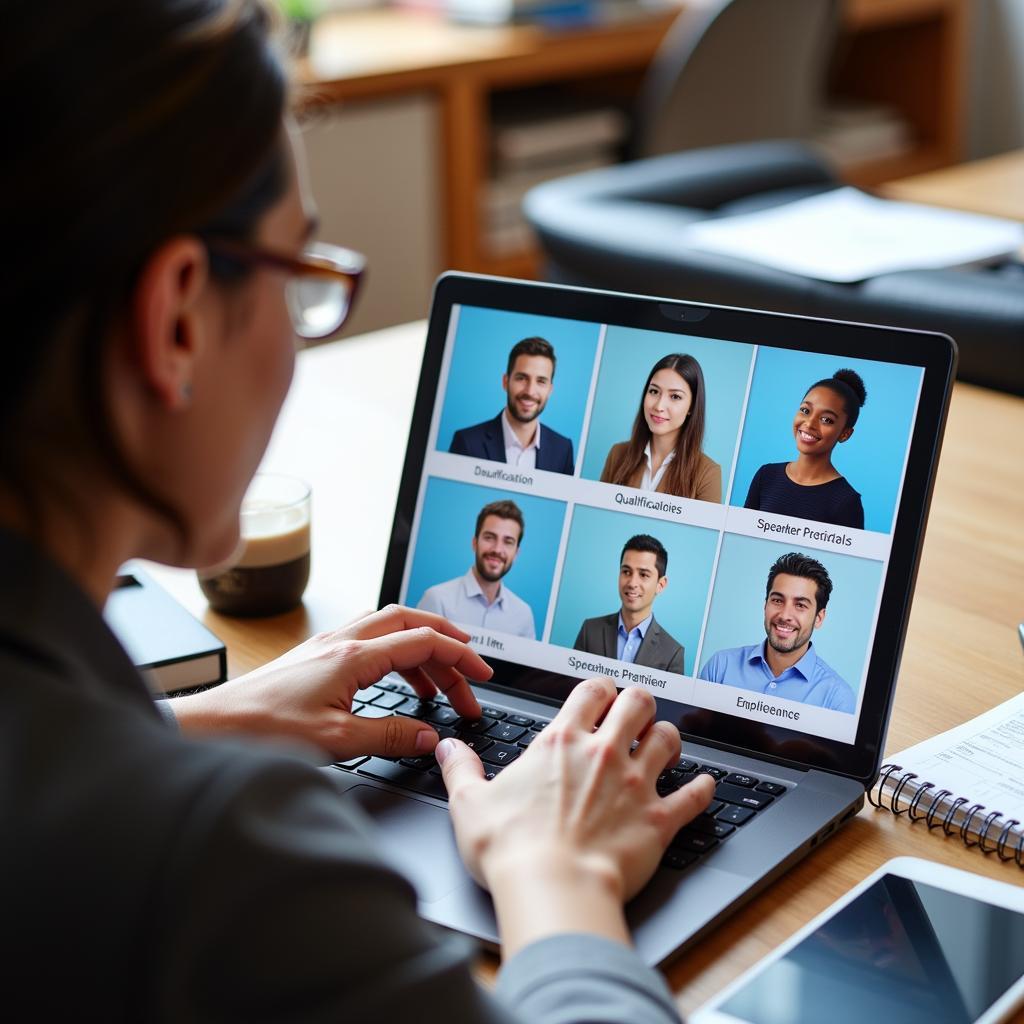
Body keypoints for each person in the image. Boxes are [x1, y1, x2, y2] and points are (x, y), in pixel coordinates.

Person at [1, 3, 715, 1017]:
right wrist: (557, 874)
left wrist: (185, 726)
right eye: (300, 275)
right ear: (174, 322)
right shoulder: (222, 863)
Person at [699, 553, 855, 713]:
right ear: (765, 605)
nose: (784, 616)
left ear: (819, 618)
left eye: (800, 605)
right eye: (777, 601)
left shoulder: (837, 698)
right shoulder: (720, 667)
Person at [744, 368, 867, 529]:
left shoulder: (846, 501)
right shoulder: (766, 476)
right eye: (805, 410)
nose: (809, 423)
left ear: (845, 434)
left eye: (826, 420)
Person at [600, 353, 721, 503]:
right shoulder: (617, 454)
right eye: (654, 391)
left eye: (675, 396)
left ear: (692, 406)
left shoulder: (708, 473)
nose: (658, 406)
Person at [449, 337, 576, 474]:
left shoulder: (563, 450)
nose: (530, 391)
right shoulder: (467, 443)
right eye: (521, 378)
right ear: (505, 382)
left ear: (550, 390)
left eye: (541, 381)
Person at [417, 499, 536, 639]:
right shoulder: (437, 600)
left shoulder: (524, 615)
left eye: (508, 542)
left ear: (516, 553)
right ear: (474, 543)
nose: (497, 549)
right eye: (489, 537)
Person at [574, 535, 685, 673]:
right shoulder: (590, 631)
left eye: (644, 575)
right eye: (626, 572)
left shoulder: (672, 653)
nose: (632, 583)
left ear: (660, 585)